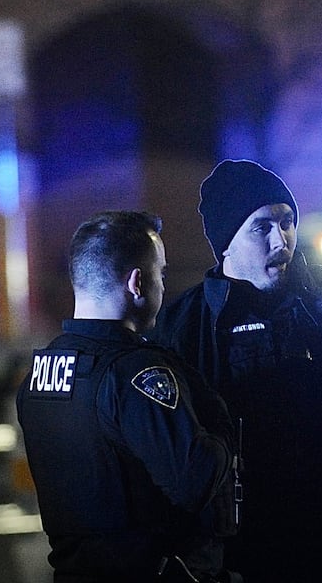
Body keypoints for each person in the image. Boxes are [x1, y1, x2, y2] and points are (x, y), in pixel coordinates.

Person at [152, 161, 322, 583]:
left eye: (287, 222)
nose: (281, 240)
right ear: (226, 243)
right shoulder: (187, 326)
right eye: (262, 227)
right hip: (248, 562)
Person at [15, 210, 241, 583]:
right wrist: (220, 422)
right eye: (161, 273)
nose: (163, 286)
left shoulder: (41, 372)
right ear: (137, 283)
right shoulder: (135, 373)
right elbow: (195, 479)